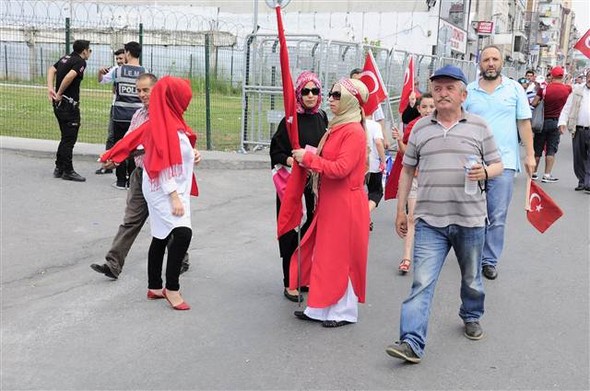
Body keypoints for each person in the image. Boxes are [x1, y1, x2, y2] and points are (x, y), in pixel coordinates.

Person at [385, 65, 503, 364]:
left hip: (470, 220)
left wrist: (485, 171)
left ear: (463, 94)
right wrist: (401, 210)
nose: (442, 93)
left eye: (449, 88)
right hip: (429, 222)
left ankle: (471, 314)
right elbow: (408, 170)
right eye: (437, 88)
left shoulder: (479, 126)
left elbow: (498, 165)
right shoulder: (421, 128)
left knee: (472, 279)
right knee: (421, 282)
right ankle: (411, 341)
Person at [100, 76, 198, 310]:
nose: (142, 94)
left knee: (162, 234)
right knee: (182, 233)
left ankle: (154, 286)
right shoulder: (159, 123)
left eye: (147, 90)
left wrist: (192, 154)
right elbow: (160, 160)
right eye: (139, 90)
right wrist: (173, 195)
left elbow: (177, 150)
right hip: (161, 186)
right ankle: (171, 288)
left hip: (165, 185)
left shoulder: (170, 119)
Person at [290, 78, 370, 328]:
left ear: (350, 100)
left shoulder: (353, 131)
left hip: (346, 202)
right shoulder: (337, 127)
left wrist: (310, 159)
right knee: (326, 254)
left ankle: (343, 311)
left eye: (337, 95)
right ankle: (320, 307)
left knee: (342, 257)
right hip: (332, 200)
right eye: (332, 95)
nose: (331, 99)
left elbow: (341, 168)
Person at [463, 45, 536, 281]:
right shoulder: (469, 91)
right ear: (480, 63)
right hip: (472, 162)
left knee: (497, 215)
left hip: (504, 162)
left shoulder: (514, 89)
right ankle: (471, 254)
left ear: (501, 63)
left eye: (495, 59)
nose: (491, 63)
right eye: (486, 59)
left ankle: (489, 260)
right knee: (472, 212)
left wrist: (530, 155)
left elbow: (524, 124)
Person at [269, 71, 328, 302]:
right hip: (292, 187)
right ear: (298, 93)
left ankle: (304, 277)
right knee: (291, 233)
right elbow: (276, 152)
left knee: (312, 232)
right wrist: (292, 161)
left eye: (315, 91)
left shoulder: (322, 117)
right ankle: (289, 282)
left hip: (314, 186)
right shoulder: (290, 120)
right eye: (306, 91)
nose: (311, 96)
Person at [390, 92, 435, 274]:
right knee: (412, 218)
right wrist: (399, 140)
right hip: (416, 178)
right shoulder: (413, 126)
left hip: (435, 182)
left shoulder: (445, 127)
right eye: (424, 107)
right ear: (418, 109)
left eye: (432, 106)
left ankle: (429, 256)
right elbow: (405, 153)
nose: (428, 110)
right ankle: (407, 257)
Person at [46, 39, 92, 182]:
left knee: (65, 136)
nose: (90, 53)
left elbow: (51, 69)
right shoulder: (80, 62)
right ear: (84, 50)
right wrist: (58, 93)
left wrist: (50, 88)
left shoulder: (66, 58)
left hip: (59, 105)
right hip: (68, 105)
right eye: (89, 50)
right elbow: (70, 76)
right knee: (69, 139)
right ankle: (68, 170)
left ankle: (59, 167)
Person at [111, 41, 146, 190]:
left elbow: (114, 90)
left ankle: (120, 181)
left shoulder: (117, 71)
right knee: (136, 147)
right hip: (138, 116)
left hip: (120, 114)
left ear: (128, 53)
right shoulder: (145, 72)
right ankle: (132, 180)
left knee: (120, 145)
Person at [531, 66, 572, 183]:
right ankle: (547, 174)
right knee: (551, 149)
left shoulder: (544, 89)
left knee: (537, 148)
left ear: (551, 75)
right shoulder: (567, 89)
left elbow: (534, 103)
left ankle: (534, 173)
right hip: (557, 122)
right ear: (562, 76)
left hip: (542, 122)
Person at [558, 68, 590, 193]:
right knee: (579, 157)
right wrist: (562, 122)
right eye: (588, 76)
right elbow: (567, 108)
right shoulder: (577, 91)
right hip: (578, 129)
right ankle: (582, 181)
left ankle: (588, 182)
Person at [95, 48, 125, 175]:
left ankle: (127, 168)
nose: (118, 61)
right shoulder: (115, 71)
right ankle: (107, 164)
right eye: (117, 59)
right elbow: (102, 80)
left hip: (131, 109)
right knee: (111, 136)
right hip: (116, 107)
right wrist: (100, 72)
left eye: (121, 58)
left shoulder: (137, 71)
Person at [350, 68, 390, 149]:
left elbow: (380, 119)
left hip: (371, 141)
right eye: (355, 81)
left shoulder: (372, 97)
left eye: (360, 80)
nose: (358, 83)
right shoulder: (347, 98)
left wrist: (385, 138)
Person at [365, 112, 386, 231]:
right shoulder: (374, 125)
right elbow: (378, 143)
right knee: (376, 192)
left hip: (359, 165)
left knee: (361, 193)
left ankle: (367, 218)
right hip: (373, 164)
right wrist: (383, 160)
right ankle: (365, 214)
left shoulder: (355, 123)